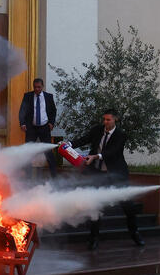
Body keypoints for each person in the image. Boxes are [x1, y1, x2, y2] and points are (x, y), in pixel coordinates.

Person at [71, 110, 143, 249]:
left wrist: (95, 156)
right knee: (95, 205)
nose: (105, 122)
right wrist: (68, 143)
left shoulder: (121, 135)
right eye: (104, 119)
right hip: (98, 174)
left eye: (108, 120)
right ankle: (94, 238)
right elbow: (83, 139)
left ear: (115, 119)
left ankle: (135, 233)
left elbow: (113, 152)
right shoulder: (97, 130)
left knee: (128, 206)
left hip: (117, 175)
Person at [18, 78, 57, 179]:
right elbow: (22, 110)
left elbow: (53, 111)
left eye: (39, 87)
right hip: (31, 128)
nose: (37, 89)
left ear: (42, 87)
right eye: (35, 87)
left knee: (48, 152)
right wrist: (22, 123)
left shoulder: (48, 97)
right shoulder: (27, 96)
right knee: (28, 152)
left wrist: (51, 123)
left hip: (45, 127)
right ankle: (28, 177)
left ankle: (55, 177)